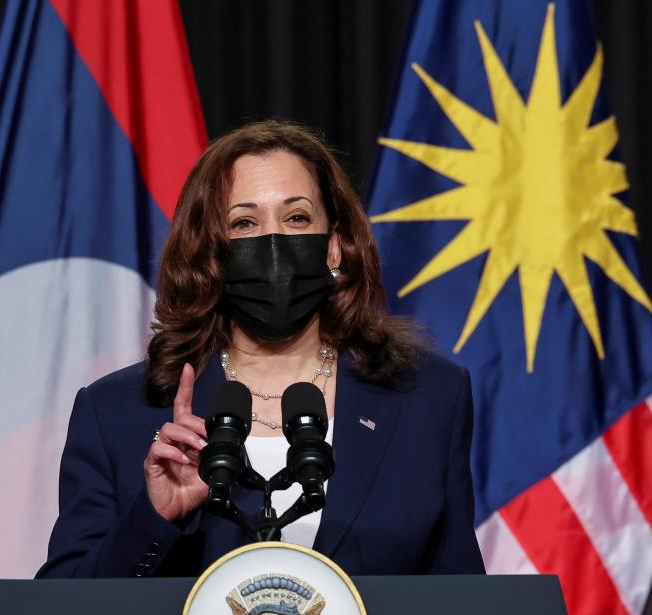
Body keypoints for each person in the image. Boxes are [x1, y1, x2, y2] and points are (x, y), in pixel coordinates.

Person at [37, 119, 483, 579]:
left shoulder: (427, 398)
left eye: (296, 218)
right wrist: (153, 516)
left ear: (334, 246)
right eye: (243, 223)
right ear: (211, 253)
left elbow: (462, 608)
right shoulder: (118, 411)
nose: (274, 245)